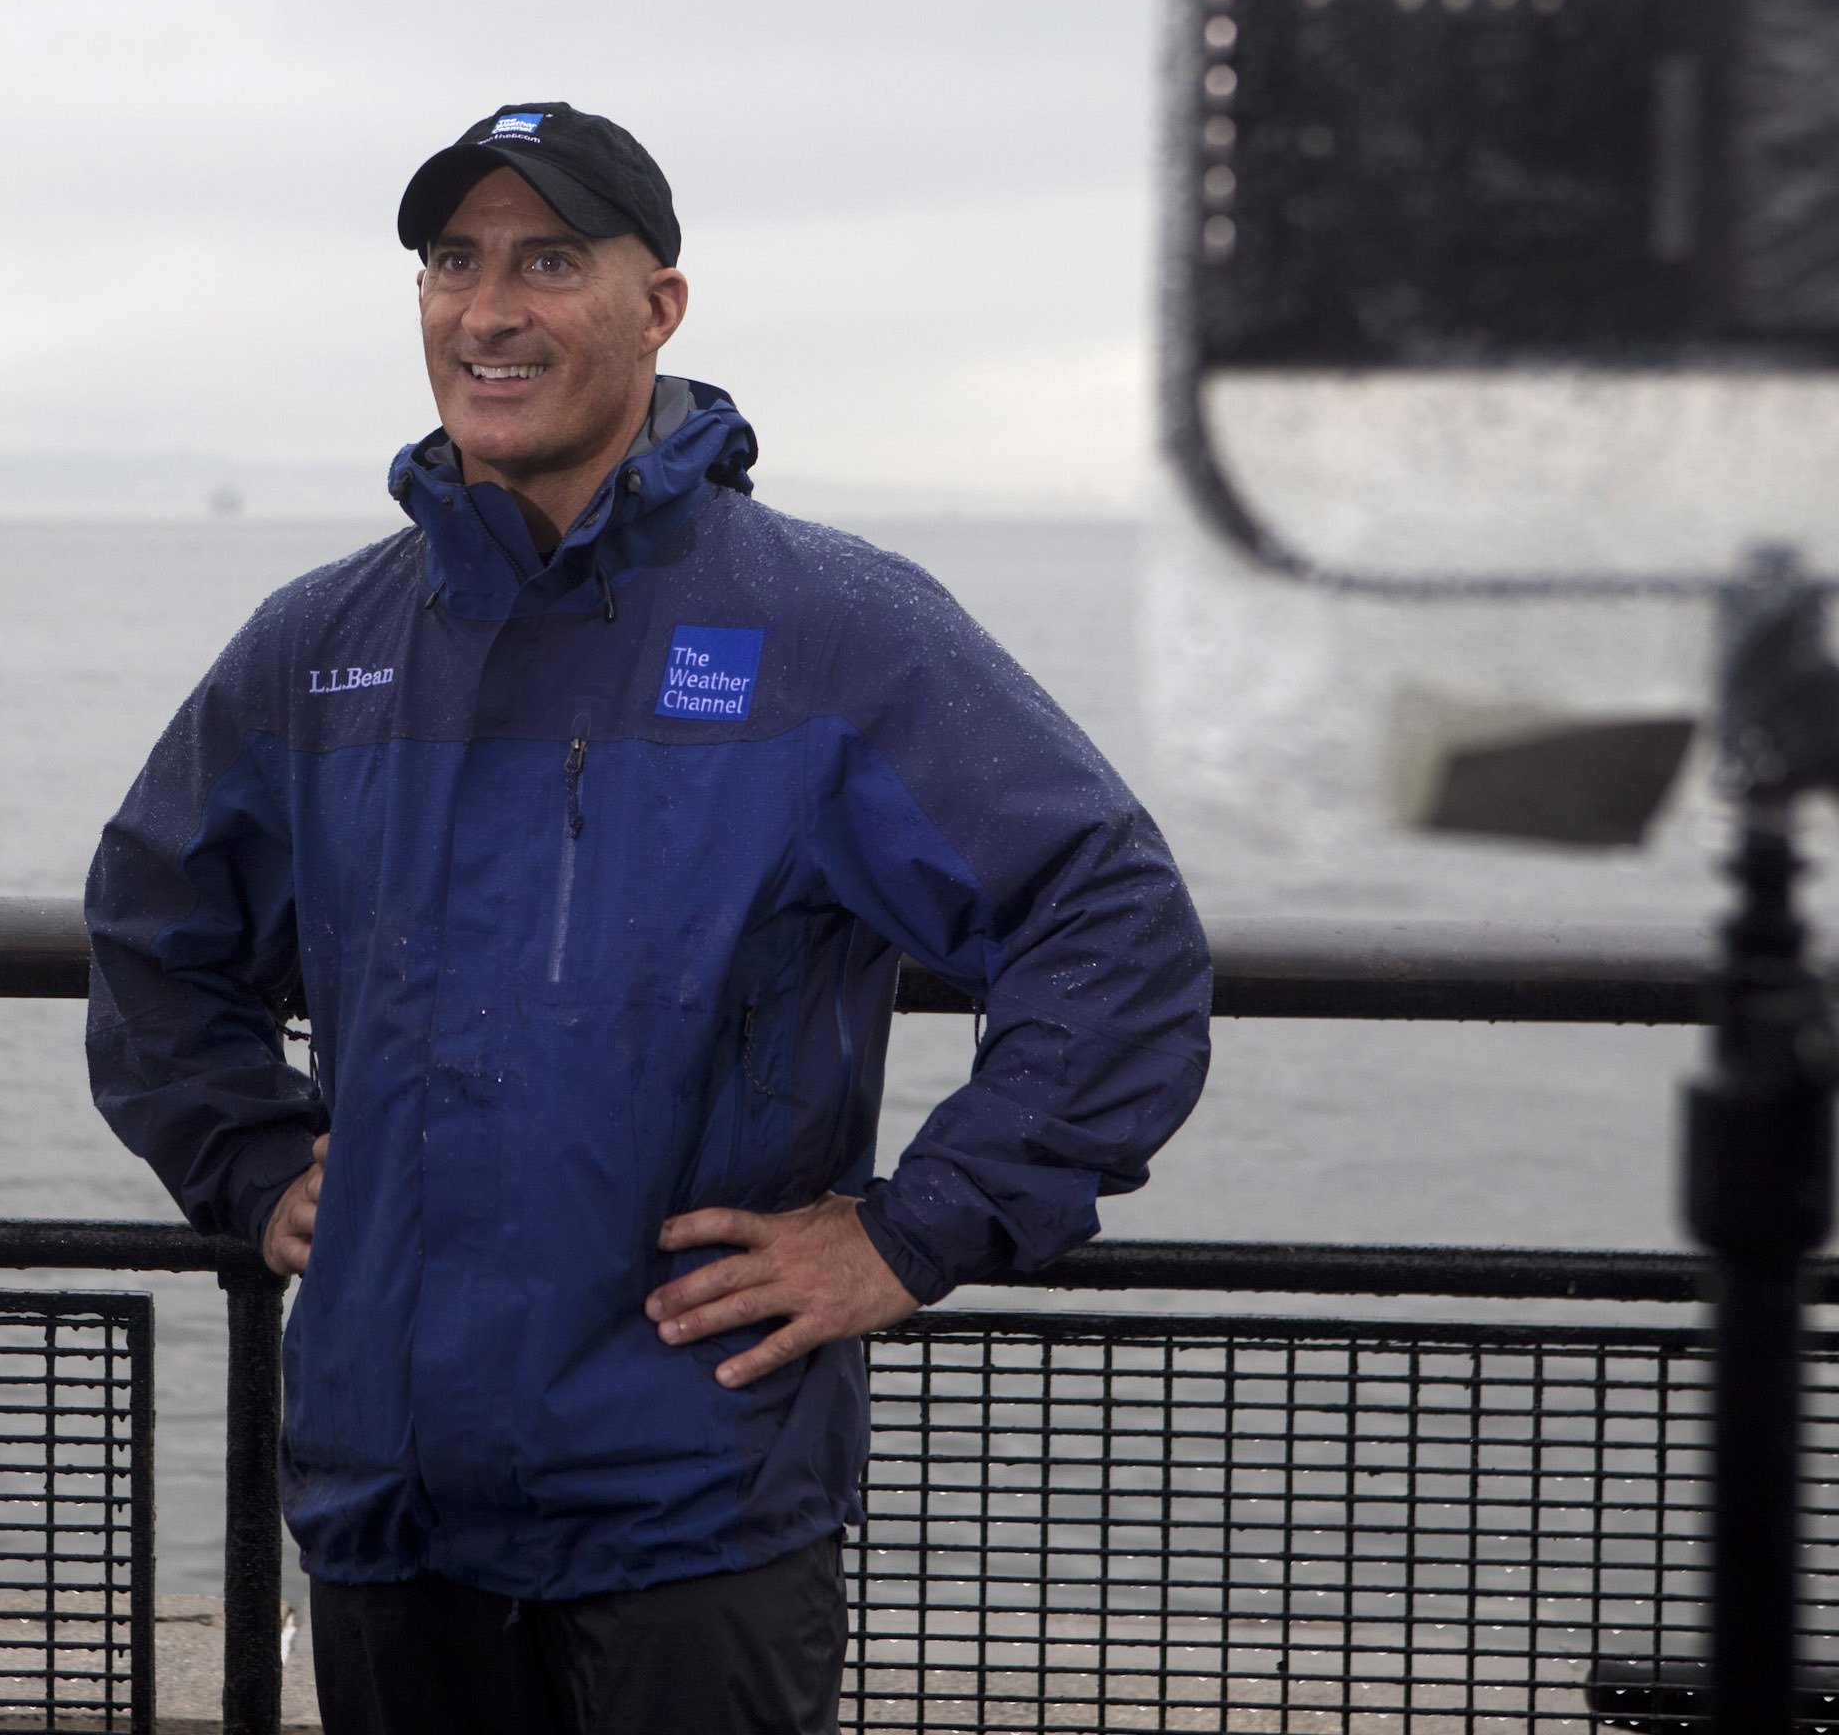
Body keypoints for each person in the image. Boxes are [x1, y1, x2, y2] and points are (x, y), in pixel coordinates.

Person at [86, 101, 1211, 1735]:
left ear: (659, 304)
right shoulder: (318, 645)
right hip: (390, 1504)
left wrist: (913, 1233)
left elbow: (1112, 926)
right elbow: (151, 930)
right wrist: (247, 1159)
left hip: (691, 1504)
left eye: (550, 259)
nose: (490, 309)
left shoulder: (830, 628)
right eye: (451, 263)